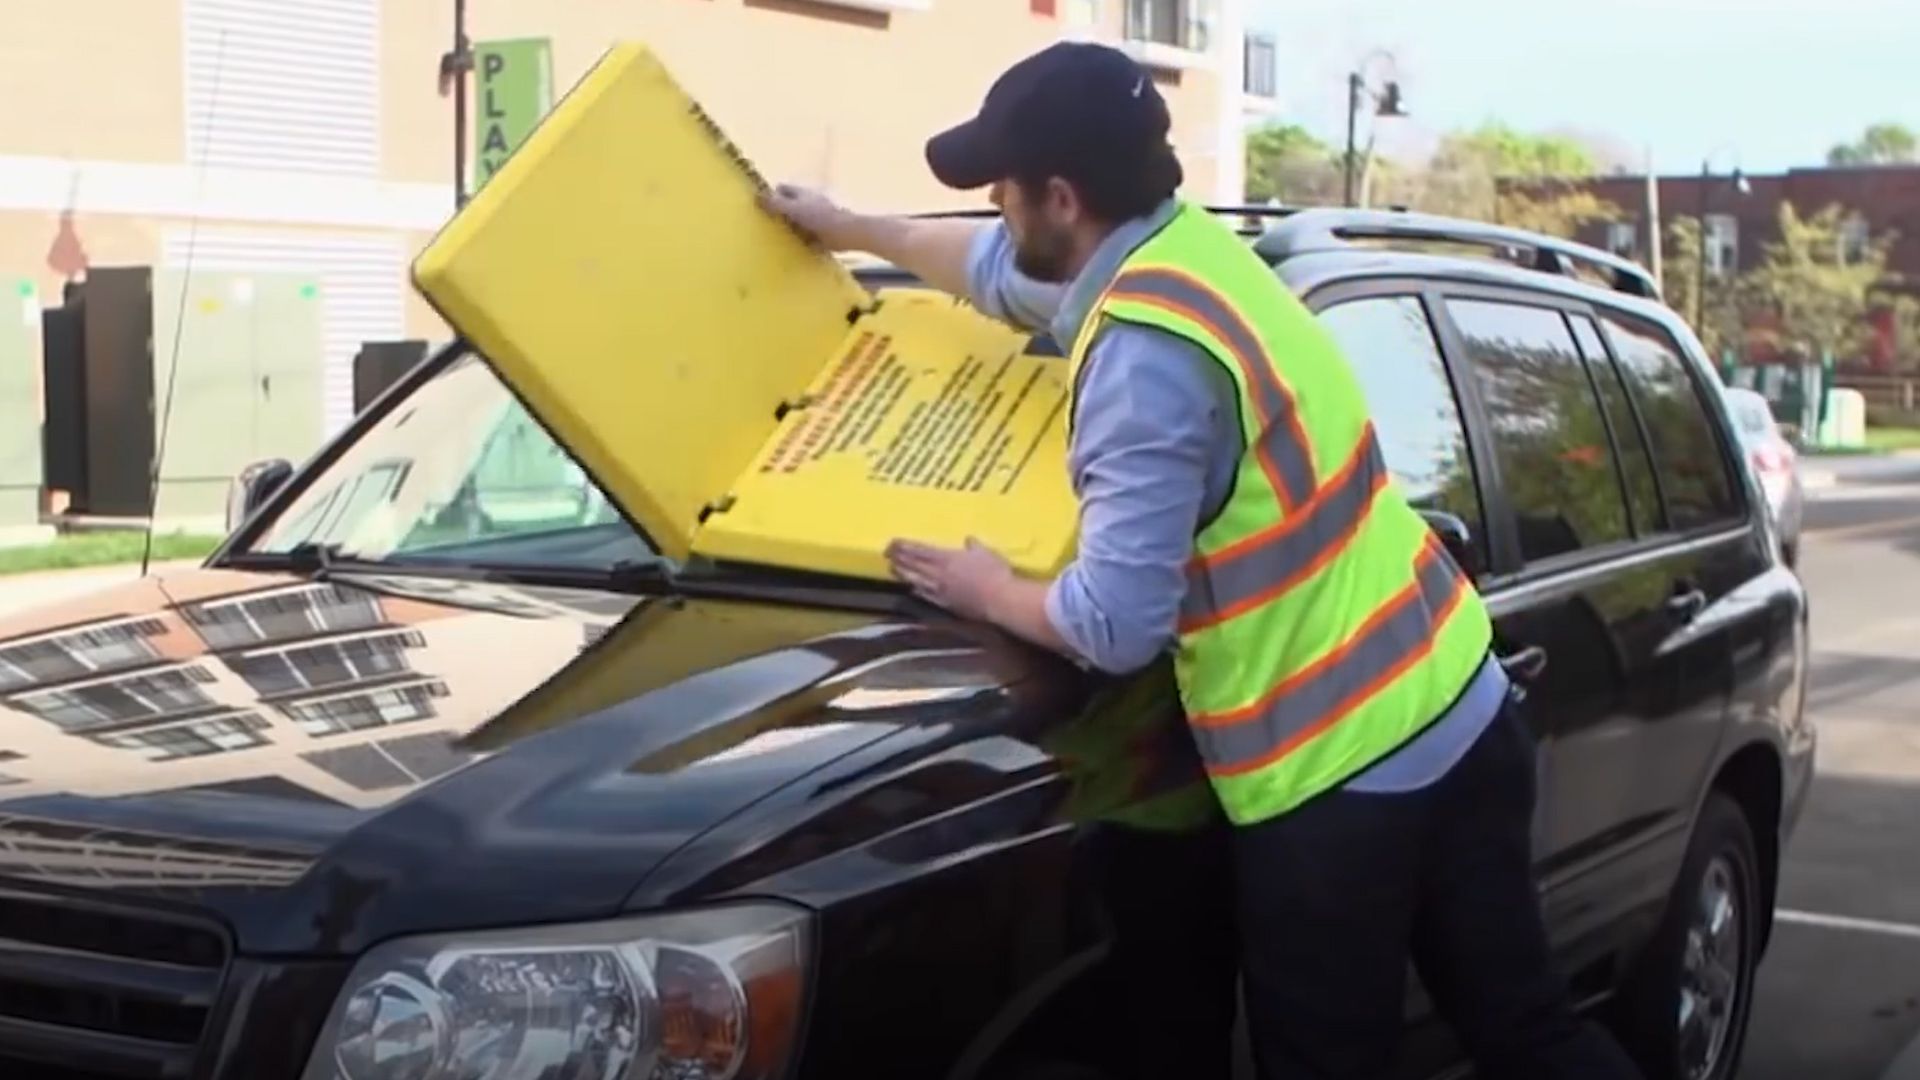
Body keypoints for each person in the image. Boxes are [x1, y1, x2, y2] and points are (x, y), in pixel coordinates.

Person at [762, 40, 1645, 1080]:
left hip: (1340, 779)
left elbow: (1114, 624)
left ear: (1060, 197)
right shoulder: (1186, 260)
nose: (993, 208)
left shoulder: (1144, 360)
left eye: (1001, 189)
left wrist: (984, 585)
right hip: (1458, 701)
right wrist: (848, 226)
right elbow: (990, 271)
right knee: (1528, 1031)